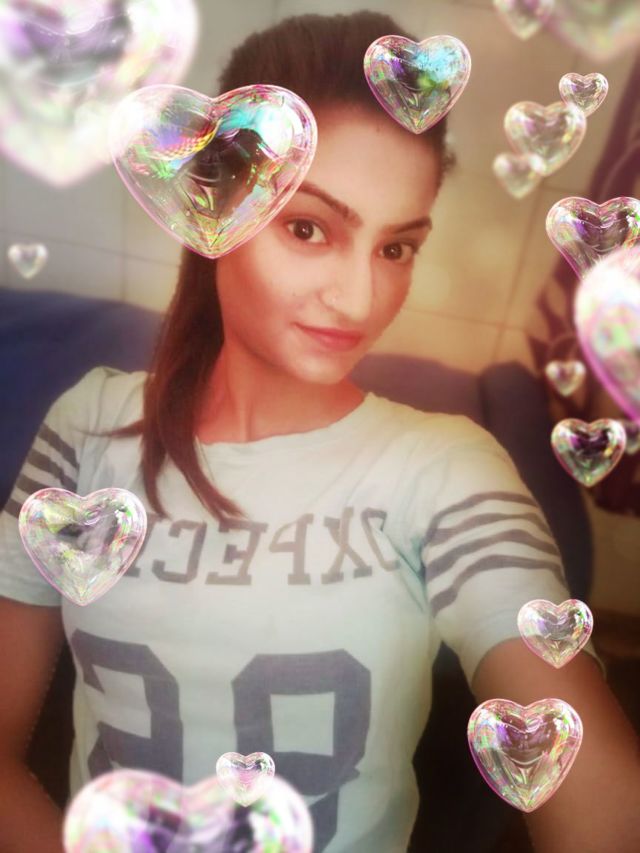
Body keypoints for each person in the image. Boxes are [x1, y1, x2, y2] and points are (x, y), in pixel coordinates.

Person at [0, 10, 638, 853]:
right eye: (309, 228)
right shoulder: (88, 425)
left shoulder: (446, 467)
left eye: (396, 248)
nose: (360, 299)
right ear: (213, 211)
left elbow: (591, 780)